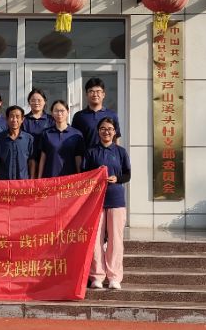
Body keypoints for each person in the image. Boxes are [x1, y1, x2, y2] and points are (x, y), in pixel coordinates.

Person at [81, 117, 131, 290]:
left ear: (115, 132)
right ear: (98, 131)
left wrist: (117, 178)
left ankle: (114, 276)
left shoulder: (121, 152)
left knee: (116, 239)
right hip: (96, 200)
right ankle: (97, 276)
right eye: (103, 128)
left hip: (116, 199)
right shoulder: (91, 151)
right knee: (95, 238)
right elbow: (84, 174)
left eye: (110, 129)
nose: (106, 131)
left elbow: (127, 175)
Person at [38, 100, 85, 178]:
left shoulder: (77, 134)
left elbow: (78, 158)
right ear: (52, 113)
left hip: (70, 178)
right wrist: (39, 178)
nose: (59, 114)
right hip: (50, 177)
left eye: (62, 111)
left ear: (68, 112)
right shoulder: (46, 133)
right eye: (56, 111)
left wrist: (80, 177)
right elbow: (43, 157)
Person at [72, 77, 121, 148]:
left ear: (103, 94)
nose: (95, 94)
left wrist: (117, 153)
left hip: (107, 154)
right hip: (86, 154)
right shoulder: (79, 116)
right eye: (91, 91)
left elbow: (116, 138)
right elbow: (74, 140)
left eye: (98, 91)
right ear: (86, 94)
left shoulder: (112, 115)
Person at [0, 105, 34, 180]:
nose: (14, 119)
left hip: (23, 182)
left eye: (17, 117)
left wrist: (31, 179)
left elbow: (31, 161)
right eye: (11, 116)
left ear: (22, 119)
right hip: (4, 181)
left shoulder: (29, 139)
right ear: (7, 119)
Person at [22, 88, 55, 175]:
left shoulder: (51, 120)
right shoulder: (23, 120)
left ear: (44, 102)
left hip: (47, 158)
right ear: (29, 102)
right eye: (33, 100)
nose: (36, 103)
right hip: (27, 159)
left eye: (39, 100)